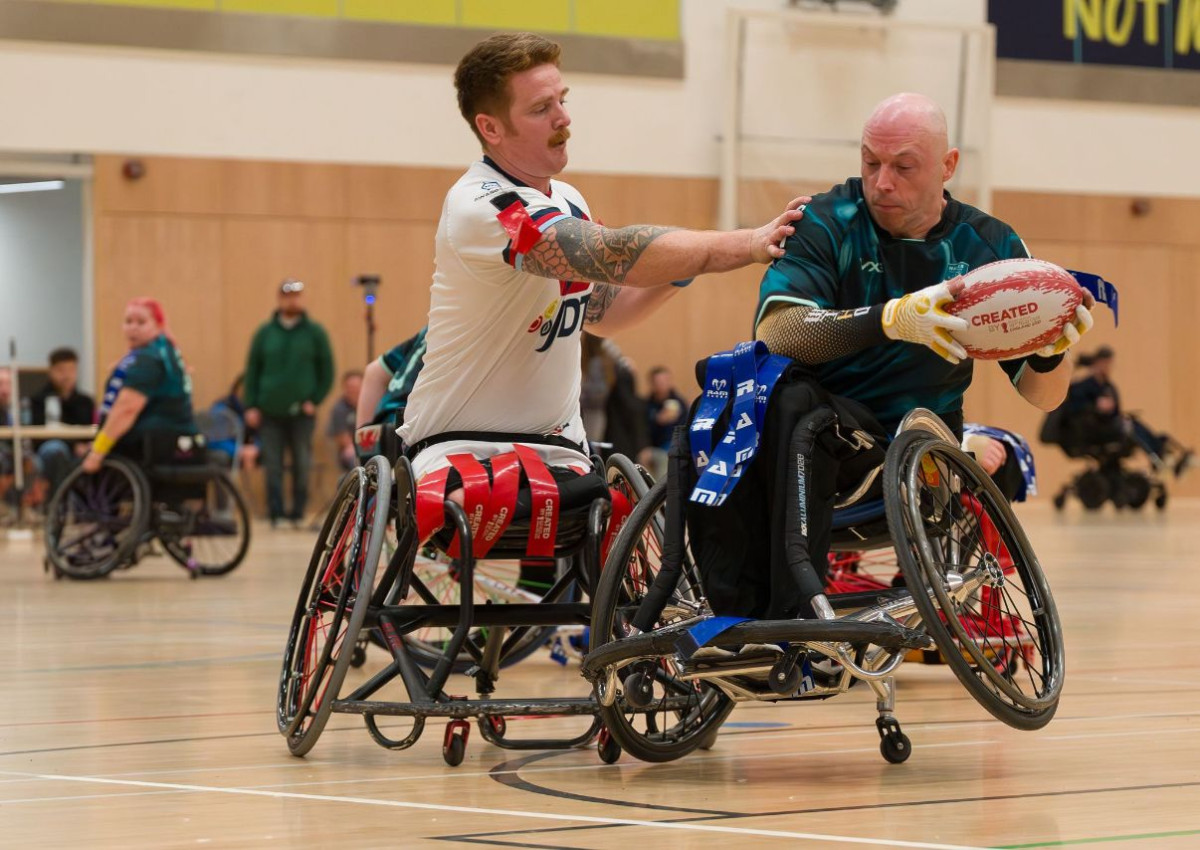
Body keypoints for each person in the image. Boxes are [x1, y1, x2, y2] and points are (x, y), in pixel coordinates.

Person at [701, 92, 1100, 619]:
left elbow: (1044, 396)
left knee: (1005, 458)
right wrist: (890, 318)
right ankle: (786, 611)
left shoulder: (990, 244)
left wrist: (1051, 351)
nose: (882, 182)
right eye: (871, 162)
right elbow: (778, 333)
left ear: (948, 166)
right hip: (830, 442)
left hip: (925, 444)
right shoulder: (825, 220)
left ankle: (973, 608)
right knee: (794, 406)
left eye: (903, 167)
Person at [397, 32, 805, 495]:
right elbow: (619, 253)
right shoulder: (482, 206)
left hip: (556, 447)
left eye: (562, 100)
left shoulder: (567, 199)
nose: (563, 119)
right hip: (460, 448)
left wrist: (685, 266)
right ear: (491, 128)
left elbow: (604, 313)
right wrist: (746, 243)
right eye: (540, 109)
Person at [82, 299, 204, 492]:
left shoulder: (148, 359)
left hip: (154, 441)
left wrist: (98, 451)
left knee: (83, 461)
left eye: (141, 322)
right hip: (173, 438)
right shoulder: (165, 351)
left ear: (158, 326)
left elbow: (126, 410)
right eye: (128, 321)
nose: (133, 328)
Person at [243, 279, 334, 527]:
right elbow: (252, 371)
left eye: (297, 295)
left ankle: (297, 513)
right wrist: (251, 404)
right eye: (287, 295)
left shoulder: (315, 333)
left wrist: (315, 399)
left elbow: (327, 371)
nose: (292, 300)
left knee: (302, 463)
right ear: (279, 299)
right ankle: (276, 513)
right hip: (269, 411)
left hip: (301, 412)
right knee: (273, 464)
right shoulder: (265, 333)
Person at [1062, 346, 1192, 476]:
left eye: (1110, 364)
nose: (1108, 368)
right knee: (1128, 426)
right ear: (1098, 363)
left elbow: (1115, 410)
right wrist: (1095, 405)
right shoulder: (1084, 386)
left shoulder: (1108, 387)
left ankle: (1162, 450)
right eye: (1105, 363)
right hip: (1094, 430)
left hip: (1109, 425)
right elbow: (1074, 408)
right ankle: (1156, 456)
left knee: (1132, 422)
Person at [31, 347, 96, 497]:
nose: (66, 375)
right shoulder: (38, 400)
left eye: (71, 370)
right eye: (61, 370)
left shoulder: (85, 402)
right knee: (56, 449)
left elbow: (90, 431)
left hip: (82, 450)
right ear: (51, 371)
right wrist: (73, 446)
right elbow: (38, 436)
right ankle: (58, 503)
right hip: (50, 449)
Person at [638, 366, 687, 479]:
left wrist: (673, 420)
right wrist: (657, 421)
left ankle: (660, 494)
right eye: (658, 382)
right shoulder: (647, 405)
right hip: (652, 446)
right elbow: (642, 431)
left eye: (664, 381)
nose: (661, 385)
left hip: (672, 447)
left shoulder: (679, 404)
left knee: (664, 457)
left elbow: (684, 431)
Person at [327, 370, 362, 471]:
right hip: (352, 448)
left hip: (373, 445)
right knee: (353, 457)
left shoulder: (374, 404)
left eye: (356, 388)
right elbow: (342, 438)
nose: (353, 391)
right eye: (350, 388)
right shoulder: (339, 409)